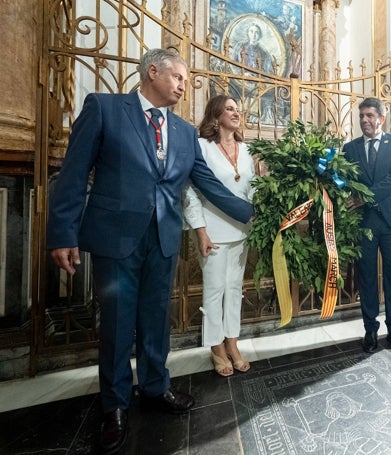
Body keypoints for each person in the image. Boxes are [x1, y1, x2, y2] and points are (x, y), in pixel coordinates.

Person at [46, 49, 254, 454]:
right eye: (177, 77)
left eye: (185, 80)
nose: (182, 85)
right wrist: (62, 234)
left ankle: (157, 388)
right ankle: (116, 406)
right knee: (119, 324)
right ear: (152, 72)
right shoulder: (105, 109)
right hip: (116, 237)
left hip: (163, 239)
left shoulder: (182, 132)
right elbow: (73, 172)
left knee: (156, 321)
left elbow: (209, 184)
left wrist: (257, 215)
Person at [183, 95, 255, 377]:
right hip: (212, 231)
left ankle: (233, 343)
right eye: (229, 109)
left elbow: (252, 189)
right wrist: (199, 231)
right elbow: (190, 191)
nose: (236, 113)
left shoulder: (246, 150)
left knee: (234, 289)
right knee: (214, 290)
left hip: (241, 231)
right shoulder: (202, 147)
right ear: (216, 115)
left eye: (238, 109)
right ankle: (215, 347)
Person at [343, 97, 391, 357]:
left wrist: (364, 196)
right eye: (361, 116)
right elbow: (344, 179)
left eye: (370, 116)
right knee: (367, 277)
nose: (365, 120)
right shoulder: (349, 148)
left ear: (381, 119)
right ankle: (370, 330)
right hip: (365, 223)